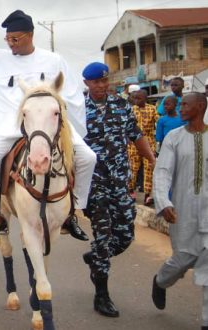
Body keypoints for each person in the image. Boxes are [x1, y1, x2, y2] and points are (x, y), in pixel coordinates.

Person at [0, 2, 94, 244]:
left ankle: (74, 212)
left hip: (48, 127)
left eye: (15, 39)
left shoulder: (53, 60)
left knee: (88, 158)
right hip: (11, 127)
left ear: (30, 35)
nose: (11, 44)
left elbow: (70, 96)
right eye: (8, 39)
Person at [81, 62, 157, 317]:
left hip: (120, 182)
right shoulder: (77, 109)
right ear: (87, 84)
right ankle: (101, 294)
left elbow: (136, 136)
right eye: (96, 82)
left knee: (125, 236)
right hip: (94, 184)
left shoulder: (122, 106)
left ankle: (96, 257)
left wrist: (153, 161)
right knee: (103, 236)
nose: (102, 86)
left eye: (105, 81)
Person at [150, 92, 208, 329]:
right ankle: (161, 281)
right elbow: (162, 172)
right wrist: (164, 202)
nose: (180, 107)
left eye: (186, 104)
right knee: (182, 259)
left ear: (201, 106)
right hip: (183, 210)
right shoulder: (174, 138)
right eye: (181, 104)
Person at [127, 90, 158, 204]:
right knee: (132, 168)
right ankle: (131, 191)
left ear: (145, 98)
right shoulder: (131, 110)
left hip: (148, 142)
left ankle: (147, 195)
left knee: (148, 169)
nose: (136, 101)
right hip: (133, 144)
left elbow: (158, 122)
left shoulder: (152, 109)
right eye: (135, 98)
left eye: (139, 98)